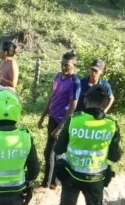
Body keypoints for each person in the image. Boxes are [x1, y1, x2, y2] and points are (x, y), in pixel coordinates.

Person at [54, 84, 122, 205]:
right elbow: (115, 157)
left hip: (71, 176)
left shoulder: (74, 120)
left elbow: (58, 149)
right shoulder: (111, 124)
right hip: (96, 179)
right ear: (105, 103)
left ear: (85, 100)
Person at [37, 51, 81, 190]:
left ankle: (48, 183)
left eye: (67, 65)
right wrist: (43, 116)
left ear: (74, 65)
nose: (63, 67)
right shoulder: (57, 76)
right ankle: (54, 182)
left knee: (51, 151)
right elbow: (52, 97)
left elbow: (73, 105)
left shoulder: (74, 81)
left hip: (62, 120)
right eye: (62, 64)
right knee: (51, 152)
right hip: (52, 117)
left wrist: (61, 127)